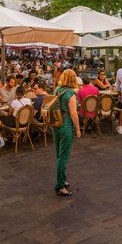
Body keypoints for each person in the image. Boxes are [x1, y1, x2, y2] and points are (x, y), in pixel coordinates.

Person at [52, 69, 81, 197]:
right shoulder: (70, 94)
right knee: (63, 156)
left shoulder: (57, 90)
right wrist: (78, 129)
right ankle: (60, 185)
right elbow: (74, 113)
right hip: (66, 126)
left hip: (56, 125)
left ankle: (62, 179)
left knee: (59, 154)